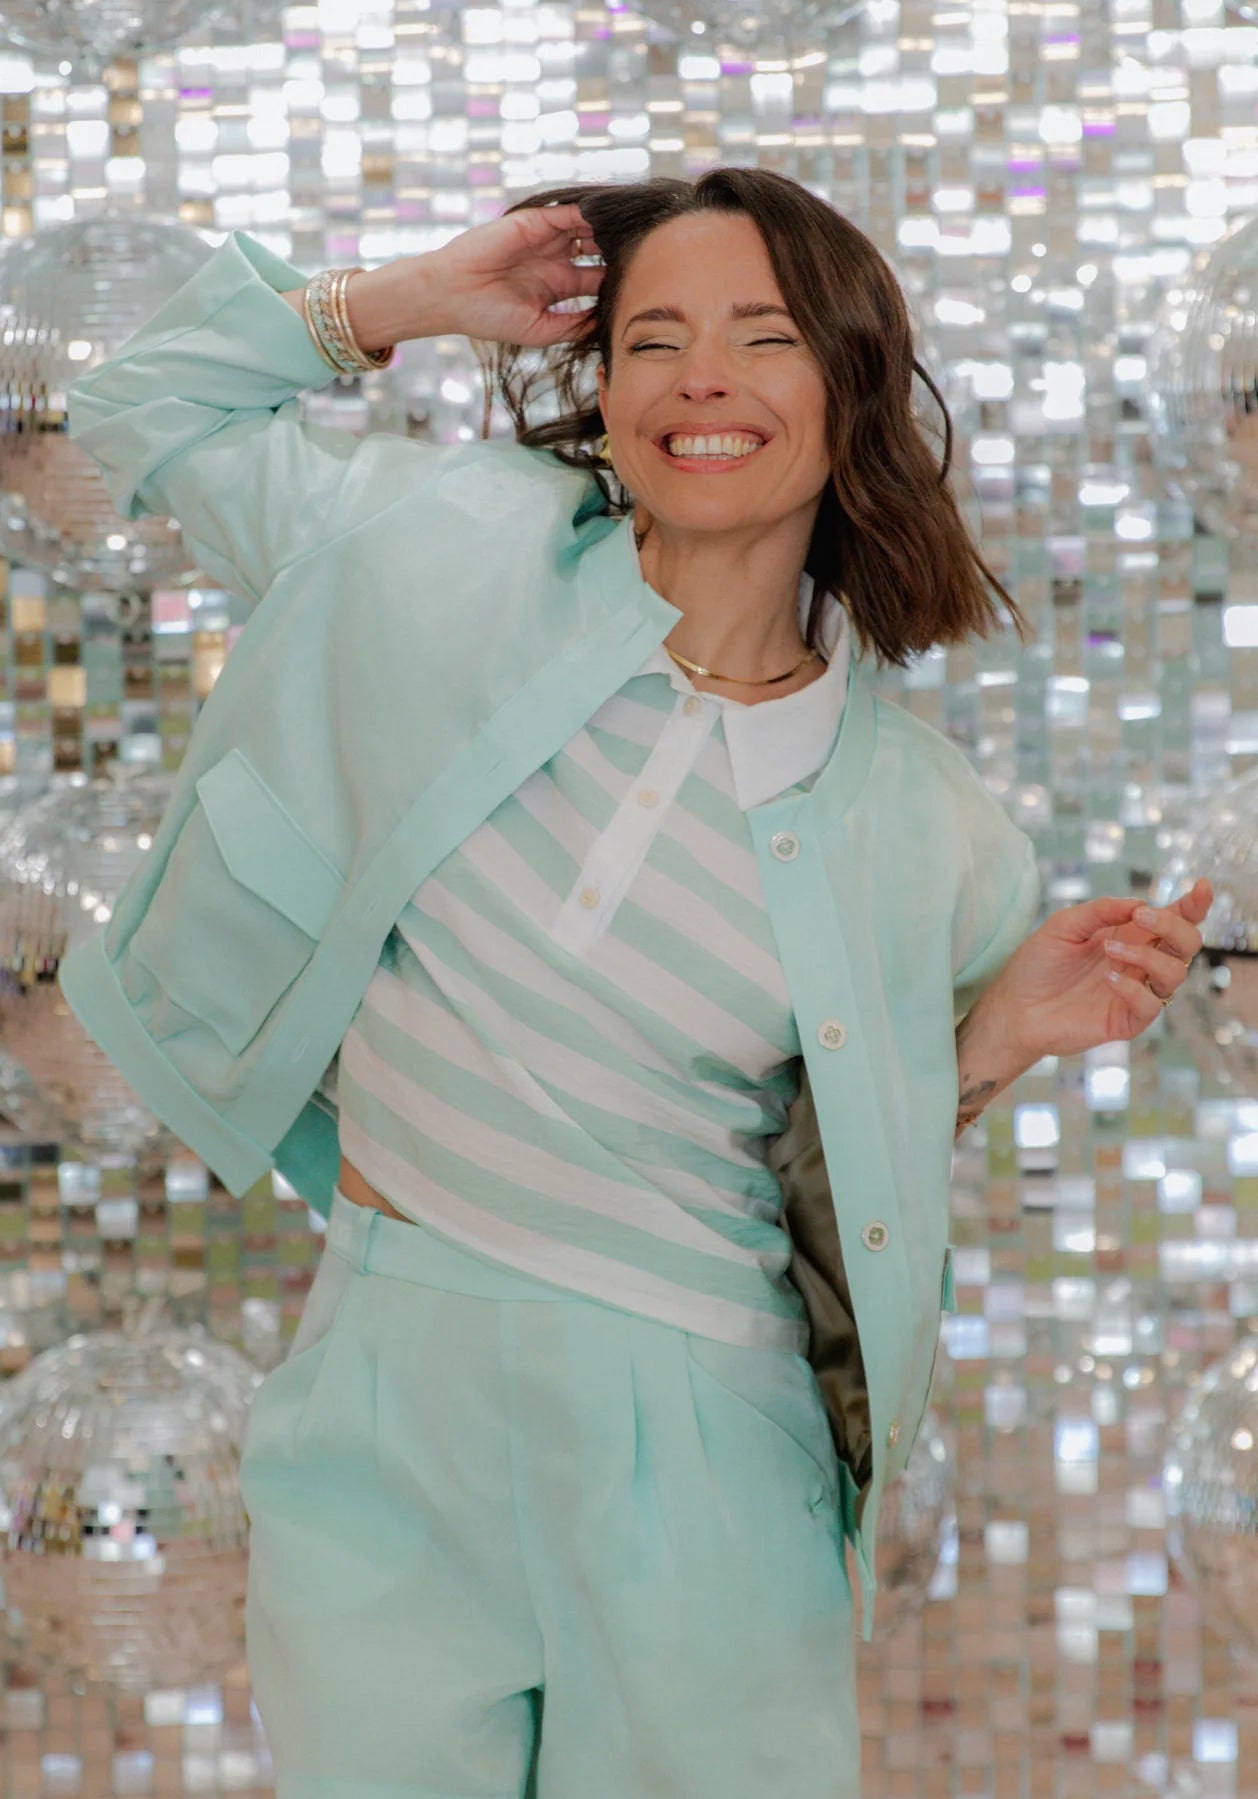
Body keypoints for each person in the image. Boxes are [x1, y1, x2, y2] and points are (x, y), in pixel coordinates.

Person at [58, 169, 1212, 1799]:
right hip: (386, 1376)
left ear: (850, 389)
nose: (699, 381)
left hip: (705, 1439)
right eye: (652, 339)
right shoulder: (435, 549)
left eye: (764, 337)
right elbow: (134, 408)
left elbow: (827, 1179)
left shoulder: (936, 835)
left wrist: (984, 1045)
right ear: (601, 392)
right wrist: (413, 299)